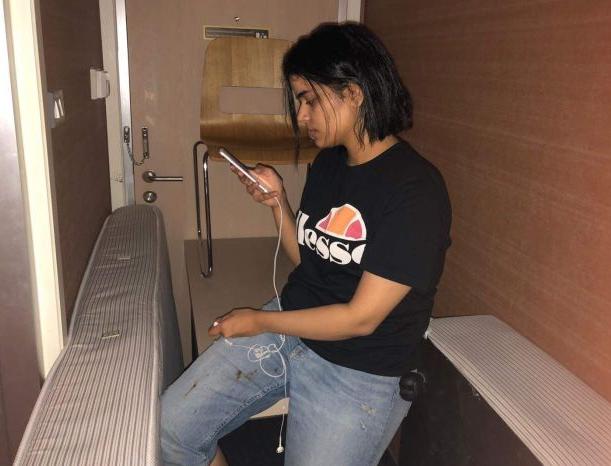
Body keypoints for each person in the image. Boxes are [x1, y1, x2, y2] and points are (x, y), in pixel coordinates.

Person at [161, 22, 451, 466]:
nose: (300, 117)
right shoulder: (329, 164)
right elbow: (311, 260)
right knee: (171, 428)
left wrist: (260, 321)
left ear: (353, 93)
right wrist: (278, 204)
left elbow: (360, 319)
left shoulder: (416, 190)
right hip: (294, 326)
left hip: (360, 368)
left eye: (309, 100)